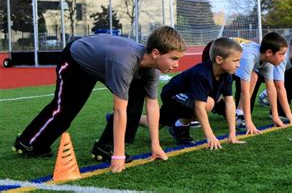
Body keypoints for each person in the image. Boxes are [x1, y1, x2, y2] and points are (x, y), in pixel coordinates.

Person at [13, 26, 186, 173]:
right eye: (174, 58)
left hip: (103, 60)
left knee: (135, 103)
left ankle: (105, 147)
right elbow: (119, 110)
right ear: (156, 53)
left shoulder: (152, 69)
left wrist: (155, 145)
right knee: (65, 109)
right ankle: (29, 142)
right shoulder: (124, 63)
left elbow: (153, 105)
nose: (177, 65)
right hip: (76, 60)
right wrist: (119, 155)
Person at [140, 37, 245, 148]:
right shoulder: (201, 74)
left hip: (186, 98)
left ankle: (130, 117)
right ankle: (179, 127)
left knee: (154, 123)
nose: (238, 65)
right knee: (209, 103)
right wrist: (210, 135)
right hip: (172, 95)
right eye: (235, 61)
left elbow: (230, 103)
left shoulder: (227, 74)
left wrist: (232, 134)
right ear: (219, 60)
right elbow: (200, 107)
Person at [235, 32, 288, 135]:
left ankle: (238, 113)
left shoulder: (268, 61)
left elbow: (271, 89)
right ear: (269, 53)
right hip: (216, 52)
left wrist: (275, 116)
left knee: (254, 76)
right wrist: (249, 121)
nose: (283, 58)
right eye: (281, 54)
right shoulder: (249, 58)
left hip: (237, 57)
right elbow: (244, 91)